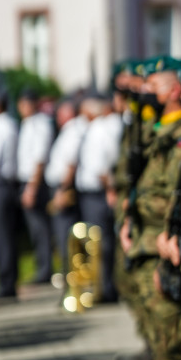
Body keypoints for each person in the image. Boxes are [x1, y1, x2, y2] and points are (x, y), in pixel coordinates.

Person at [76, 94, 122, 303]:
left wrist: (109, 189)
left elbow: (103, 168)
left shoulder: (100, 130)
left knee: (100, 243)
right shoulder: (96, 129)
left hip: (97, 193)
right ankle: (101, 287)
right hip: (91, 192)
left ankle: (105, 288)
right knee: (96, 242)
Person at [45, 98, 87, 272]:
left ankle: (71, 277)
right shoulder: (69, 130)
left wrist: (62, 190)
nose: (57, 117)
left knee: (66, 236)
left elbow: (70, 163)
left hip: (63, 187)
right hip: (61, 186)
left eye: (60, 113)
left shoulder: (73, 130)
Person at [16, 88, 54, 284]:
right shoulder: (27, 124)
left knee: (40, 227)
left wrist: (31, 188)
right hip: (26, 180)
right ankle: (42, 267)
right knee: (34, 228)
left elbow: (39, 159)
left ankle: (45, 269)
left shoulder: (40, 124)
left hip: (35, 182)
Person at [0, 88, 19, 299]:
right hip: (6, 184)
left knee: (1, 236)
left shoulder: (0, 127)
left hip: (0, 184)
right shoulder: (9, 124)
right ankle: (9, 279)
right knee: (6, 235)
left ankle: (7, 282)